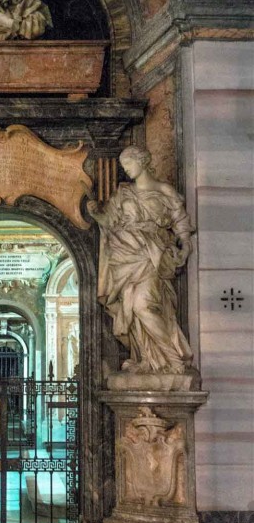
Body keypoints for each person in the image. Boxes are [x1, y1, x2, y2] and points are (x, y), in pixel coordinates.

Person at [86, 146, 193, 374]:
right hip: (124, 256)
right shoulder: (123, 193)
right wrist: (96, 213)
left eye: (129, 164)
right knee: (131, 311)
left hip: (151, 255)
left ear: (142, 161)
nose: (126, 170)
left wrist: (185, 244)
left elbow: (180, 220)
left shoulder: (164, 190)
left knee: (143, 305)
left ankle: (173, 359)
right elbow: (111, 221)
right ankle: (146, 359)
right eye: (124, 167)